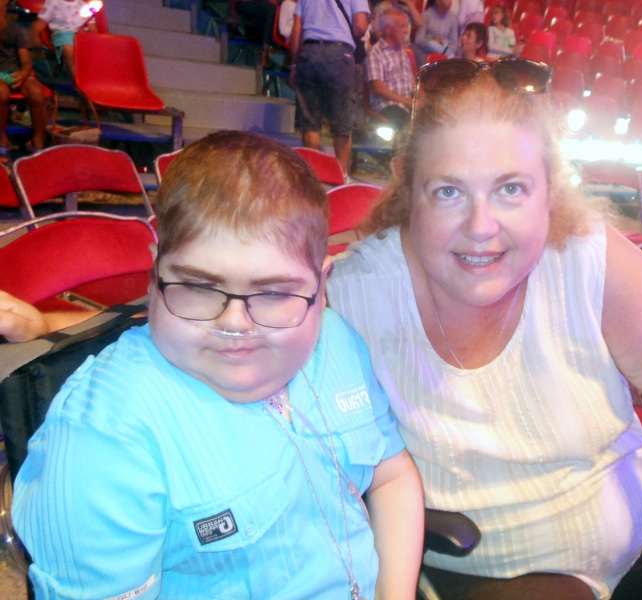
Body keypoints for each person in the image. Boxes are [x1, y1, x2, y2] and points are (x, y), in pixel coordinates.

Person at [326, 60, 642, 599]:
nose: (481, 227)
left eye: (511, 188)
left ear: (549, 190)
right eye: (448, 192)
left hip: (629, 515)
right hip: (488, 562)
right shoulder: (352, 296)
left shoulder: (582, 253)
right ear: (408, 191)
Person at [10, 131, 424, 599]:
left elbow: (391, 474)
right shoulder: (104, 438)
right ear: (154, 272)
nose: (235, 323)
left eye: (274, 293)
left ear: (321, 285)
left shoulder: (338, 342)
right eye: (199, 287)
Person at [289, 0, 370, 178]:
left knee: (310, 122)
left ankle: (313, 175)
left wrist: (294, 64)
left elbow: (297, 30)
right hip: (339, 53)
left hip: (309, 52)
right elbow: (360, 27)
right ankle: (340, 177)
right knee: (341, 122)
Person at [0, 0, 47, 162]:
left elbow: (26, 62)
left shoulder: (16, 30)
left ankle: (37, 142)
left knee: (36, 92)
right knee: (1, 93)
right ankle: (2, 141)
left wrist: (24, 74)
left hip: (14, 71)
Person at [366, 8, 415, 131]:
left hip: (406, 107)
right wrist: (409, 102)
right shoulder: (376, 52)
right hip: (387, 107)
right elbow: (378, 89)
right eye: (402, 26)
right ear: (388, 29)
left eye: (406, 26)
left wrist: (423, 99)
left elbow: (412, 85)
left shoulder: (403, 53)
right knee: (402, 119)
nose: (406, 31)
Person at [32, 0, 98, 79]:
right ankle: (76, 77)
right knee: (68, 48)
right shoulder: (53, 3)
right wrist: (35, 35)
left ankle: (95, 76)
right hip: (62, 33)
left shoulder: (83, 5)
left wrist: (90, 35)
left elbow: (93, 29)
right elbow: (41, 22)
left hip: (81, 35)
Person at [413, 0, 459, 66]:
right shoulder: (426, 15)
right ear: (438, 1)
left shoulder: (453, 19)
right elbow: (418, 41)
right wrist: (432, 39)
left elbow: (454, 45)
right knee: (432, 44)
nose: (450, 2)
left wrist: (444, 42)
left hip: (445, 54)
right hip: (427, 54)